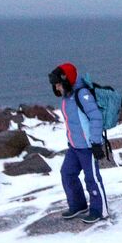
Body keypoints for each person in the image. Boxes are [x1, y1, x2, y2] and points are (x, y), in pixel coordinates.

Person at [49, 62, 108, 224]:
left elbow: (96, 118)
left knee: (92, 179)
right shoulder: (66, 98)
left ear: (66, 81)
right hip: (74, 146)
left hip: (88, 147)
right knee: (67, 173)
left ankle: (100, 210)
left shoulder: (82, 95)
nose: (57, 88)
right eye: (55, 86)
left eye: (58, 85)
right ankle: (78, 205)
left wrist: (96, 143)